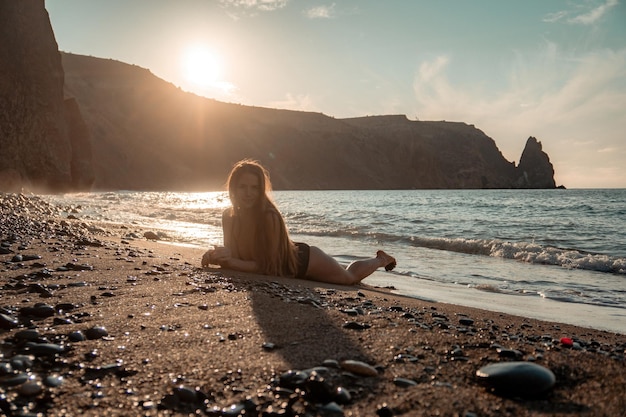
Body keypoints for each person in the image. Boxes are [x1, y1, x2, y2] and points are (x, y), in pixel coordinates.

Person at [201, 159, 396, 286]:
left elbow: (267, 267)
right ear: (233, 188)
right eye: (243, 187)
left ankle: (381, 259)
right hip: (287, 267)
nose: (249, 192)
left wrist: (229, 262)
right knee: (344, 274)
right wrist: (216, 255)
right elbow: (233, 254)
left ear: (261, 189)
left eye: (254, 187)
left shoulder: (269, 217)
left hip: (304, 261)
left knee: (349, 278)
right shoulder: (228, 216)